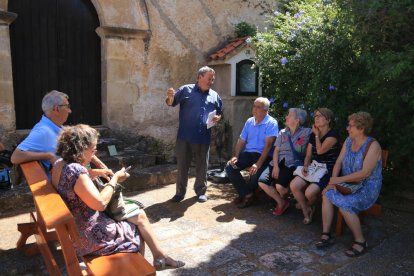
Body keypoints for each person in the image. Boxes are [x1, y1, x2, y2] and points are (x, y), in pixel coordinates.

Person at [51, 124, 184, 269]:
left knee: (139, 215)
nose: (95, 152)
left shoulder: (59, 163)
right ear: (81, 149)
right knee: (135, 228)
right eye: (93, 149)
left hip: (76, 226)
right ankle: (138, 269)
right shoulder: (76, 170)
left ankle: (160, 257)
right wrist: (115, 179)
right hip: (89, 235)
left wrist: (95, 172)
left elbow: (71, 182)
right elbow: (100, 203)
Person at [316, 111, 382, 257]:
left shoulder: (373, 145)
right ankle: (327, 234)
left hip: (366, 188)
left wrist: (338, 180)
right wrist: (333, 181)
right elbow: (339, 162)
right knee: (327, 193)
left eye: (350, 126)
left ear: (361, 128)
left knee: (345, 205)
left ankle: (360, 241)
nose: (347, 128)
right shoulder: (348, 141)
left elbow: (365, 173)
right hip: (348, 185)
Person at [10, 90, 110, 180]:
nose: (70, 111)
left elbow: (84, 147)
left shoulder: (57, 126)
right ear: (56, 109)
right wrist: (48, 156)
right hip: (65, 185)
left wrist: (102, 166)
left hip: (74, 177)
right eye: (67, 106)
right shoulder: (43, 131)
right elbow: (15, 157)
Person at [165, 66, 223, 203]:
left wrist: (218, 118)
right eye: (209, 78)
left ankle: (201, 191)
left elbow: (220, 112)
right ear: (200, 77)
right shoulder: (186, 89)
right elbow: (171, 103)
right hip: (184, 136)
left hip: (203, 136)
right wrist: (169, 97)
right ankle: (180, 193)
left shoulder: (215, 95)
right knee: (182, 166)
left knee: (202, 166)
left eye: (213, 79)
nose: (211, 81)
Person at [225, 97, 278, 208]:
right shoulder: (249, 121)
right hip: (249, 153)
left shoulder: (271, 123)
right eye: (254, 106)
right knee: (230, 167)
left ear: (265, 110)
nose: (254, 109)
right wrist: (236, 156)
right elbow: (241, 140)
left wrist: (258, 164)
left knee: (255, 175)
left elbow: (268, 146)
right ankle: (247, 194)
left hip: (264, 155)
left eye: (258, 107)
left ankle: (246, 195)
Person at [290, 108, 340, 224]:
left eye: (320, 116)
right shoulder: (314, 134)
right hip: (314, 167)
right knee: (294, 185)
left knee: (309, 193)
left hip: (328, 170)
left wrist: (317, 135)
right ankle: (306, 210)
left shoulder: (333, 135)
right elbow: (308, 154)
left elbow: (320, 151)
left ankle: (309, 205)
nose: (316, 118)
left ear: (328, 120)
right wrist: (306, 165)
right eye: (315, 116)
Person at [258, 108, 311, 215]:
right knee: (262, 182)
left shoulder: (307, 132)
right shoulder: (282, 132)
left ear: (297, 120)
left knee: (280, 187)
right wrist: (276, 166)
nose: (286, 117)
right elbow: (276, 151)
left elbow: (320, 132)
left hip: (291, 164)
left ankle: (286, 199)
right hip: (277, 162)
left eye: (289, 115)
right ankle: (281, 202)